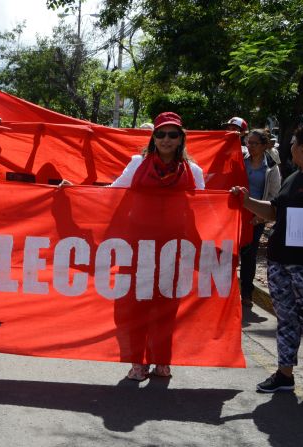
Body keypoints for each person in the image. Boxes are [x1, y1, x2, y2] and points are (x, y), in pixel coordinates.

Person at [231, 121, 303, 402]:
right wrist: (246, 201)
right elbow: (274, 211)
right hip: (281, 263)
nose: (291, 148)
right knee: (286, 320)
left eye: (294, 143)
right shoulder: (294, 176)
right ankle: (284, 374)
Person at [111, 111, 204, 382]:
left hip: (174, 247)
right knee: (134, 305)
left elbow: (202, 208)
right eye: (161, 133)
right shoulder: (136, 164)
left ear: (180, 139)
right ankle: (137, 362)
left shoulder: (193, 170)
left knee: (167, 305)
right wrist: (72, 193)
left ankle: (162, 360)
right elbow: (112, 193)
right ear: (153, 137)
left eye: (172, 134)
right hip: (137, 245)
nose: (166, 139)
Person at [239, 129, 281, 308]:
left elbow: (274, 195)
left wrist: (260, 217)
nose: (250, 146)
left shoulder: (272, 167)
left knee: (248, 255)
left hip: (255, 217)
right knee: (227, 252)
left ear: (264, 146)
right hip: (235, 214)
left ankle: (246, 293)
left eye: (255, 143)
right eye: (249, 142)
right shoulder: (240, 158)